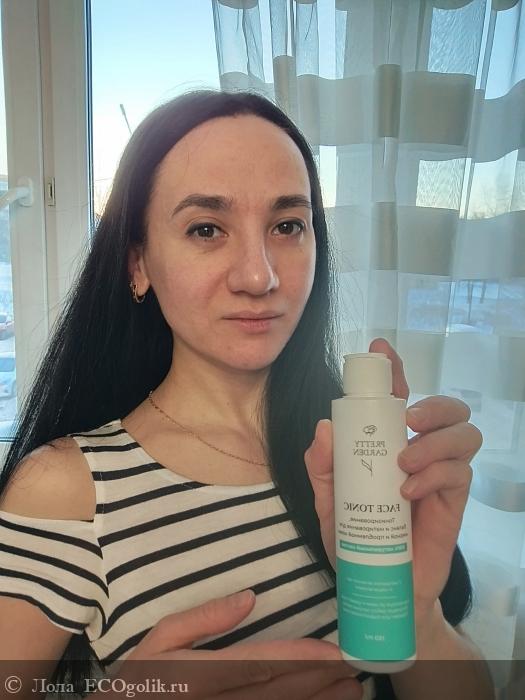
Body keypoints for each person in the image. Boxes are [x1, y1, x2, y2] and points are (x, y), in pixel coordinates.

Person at [0, 90, 493, 700]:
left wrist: (415, 615)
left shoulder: (358, 460)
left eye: (288, 226)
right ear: (138, 265)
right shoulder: (67, 490)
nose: (259, 276)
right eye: (206, 228)